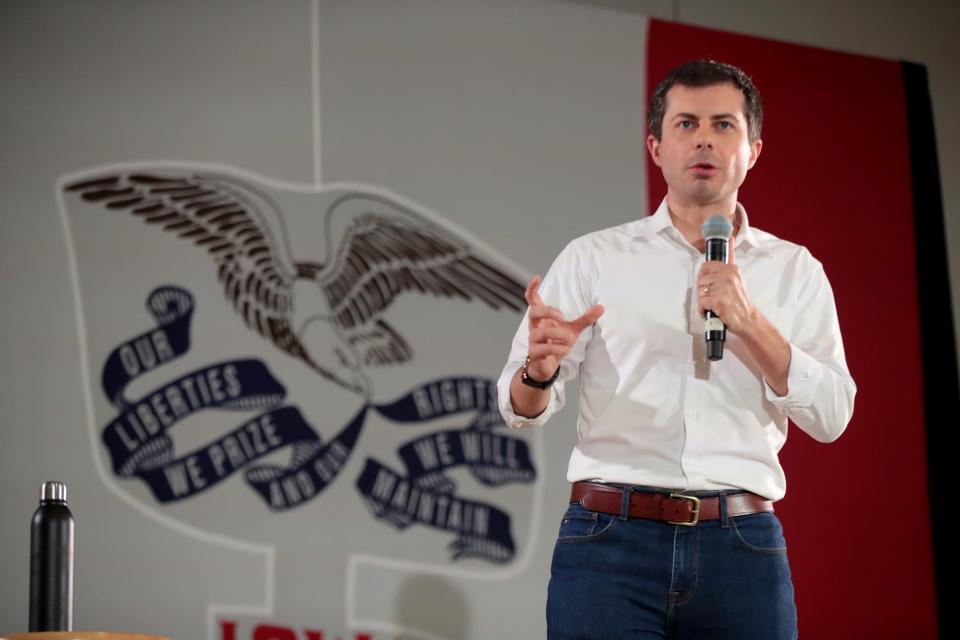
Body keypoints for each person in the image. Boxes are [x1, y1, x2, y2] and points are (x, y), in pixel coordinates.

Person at [496, 60, 856, 639]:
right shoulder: (595, 258)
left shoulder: (795, 271)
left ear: (754, 148)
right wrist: (538, 372)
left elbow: (833, 415)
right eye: (686, 124)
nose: (704, 139)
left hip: (742, 544)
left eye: (723, 125)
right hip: (609, 540)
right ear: (656, 147)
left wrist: (749, 321)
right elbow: (517, 408)